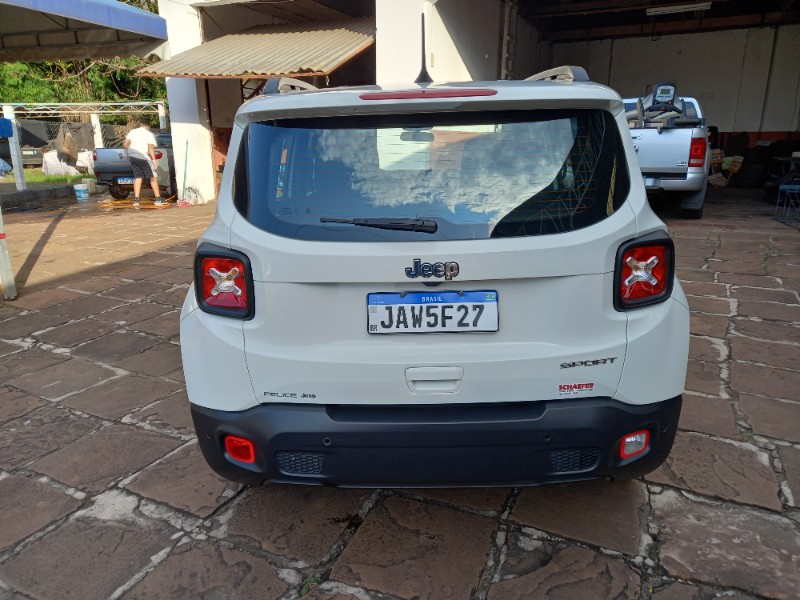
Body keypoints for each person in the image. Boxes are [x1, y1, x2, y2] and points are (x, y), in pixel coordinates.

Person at [123, 117, 165, 207]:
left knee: (138, 177)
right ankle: (158, 199)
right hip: (143, 157)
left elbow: (126, 143)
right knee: (153, 177)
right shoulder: (148, 134)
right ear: (148, 125)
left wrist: (131, 149)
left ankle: (136, 200)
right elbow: (151, 148)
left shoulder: (133, 132)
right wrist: (154, 160)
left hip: (132, 156)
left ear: (141, 124)